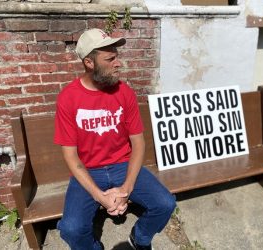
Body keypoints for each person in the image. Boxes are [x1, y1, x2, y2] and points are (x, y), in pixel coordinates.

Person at [54, 28, 176, 250]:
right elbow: (70, 156)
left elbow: (138, 143)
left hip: (122, 165)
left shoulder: (124, 92)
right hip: (89, 170)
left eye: (117, 57)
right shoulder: (68, 99)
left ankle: (139, 238)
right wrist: (100, 197)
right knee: (71, 229)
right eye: (110, 58)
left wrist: (126, 189)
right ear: (89, 63)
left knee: (165, 204)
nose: (118, 63)